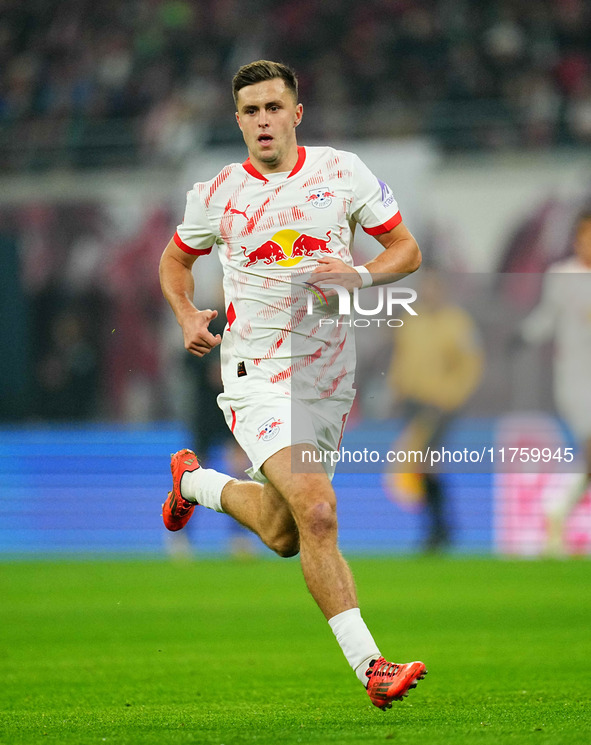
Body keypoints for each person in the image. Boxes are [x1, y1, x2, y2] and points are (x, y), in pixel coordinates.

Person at [158, 60, 426, 710]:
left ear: (296, 113)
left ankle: (194, 482)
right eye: (250, 111)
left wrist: (358, 276)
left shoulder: (341, 172)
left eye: (273, 107)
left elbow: (406, 250)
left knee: (285, 532)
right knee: (319, 510)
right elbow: (175, 260)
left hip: (326, 380)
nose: (262, 120)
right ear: (238, 120)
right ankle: (372, 666)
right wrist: (188, 313)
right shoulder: (217, 192)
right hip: (256, 375)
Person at [384, 269, 484, 551]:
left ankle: (440, 529)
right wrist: (396, 390)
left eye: (434, 286)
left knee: (426, 462)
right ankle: (441, 528)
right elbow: (401, 359)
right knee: (423, 466)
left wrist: (452, 397)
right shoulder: (410, 320)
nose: (429, 292)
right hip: (413, 403)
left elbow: (471, 365)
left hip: (440, 404)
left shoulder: (457, 323)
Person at [520, 209, 591, 556]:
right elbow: (547, 317)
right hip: (577, 382)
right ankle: (556, 510)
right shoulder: (563, 275)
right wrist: (522, 336)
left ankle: (556, 510)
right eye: (584, 235)